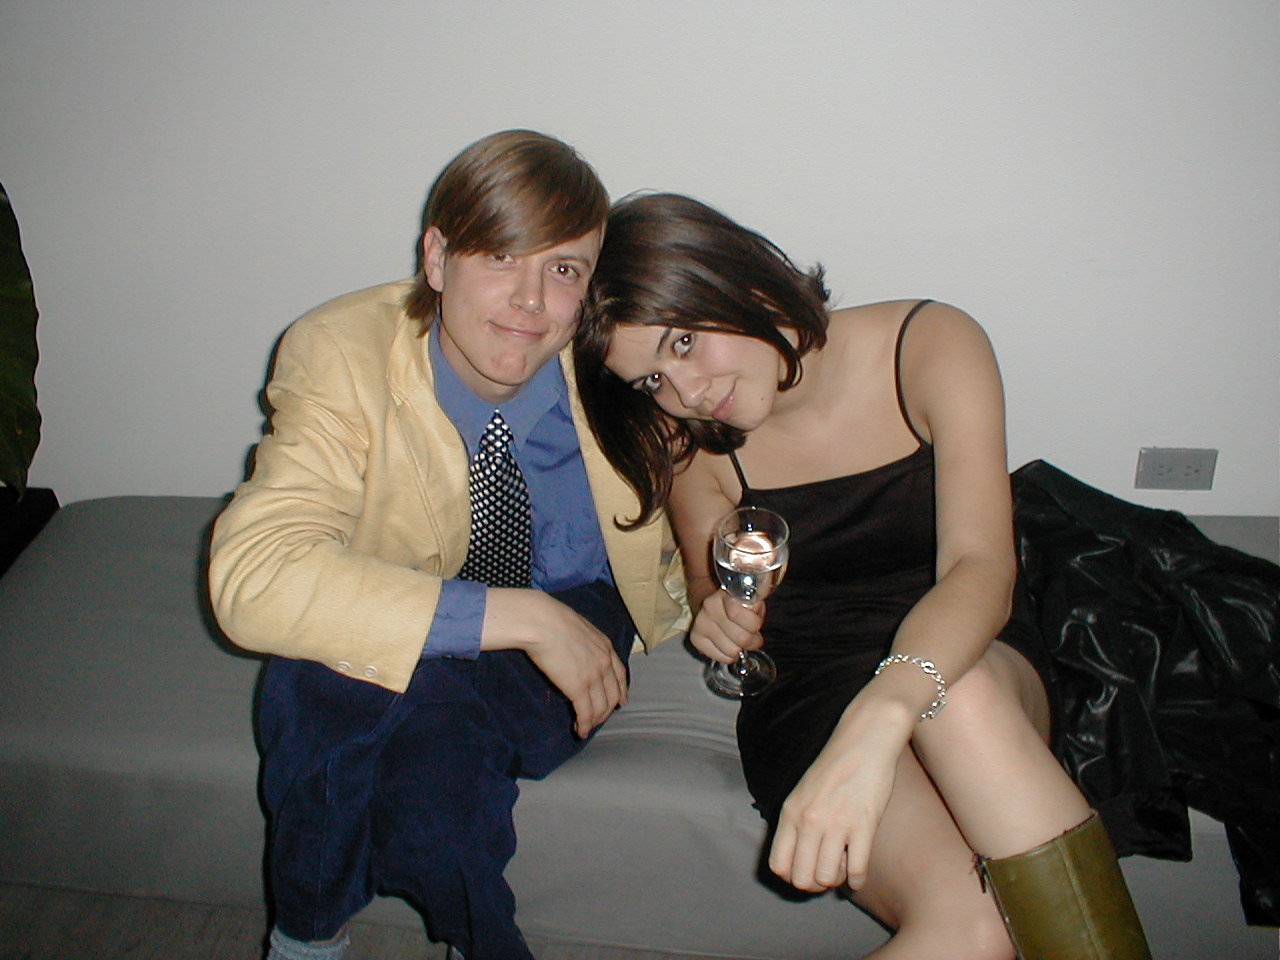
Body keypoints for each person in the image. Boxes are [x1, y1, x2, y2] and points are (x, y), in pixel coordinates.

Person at [573, 192, 1153, 959]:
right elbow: (714, 582)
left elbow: (979, 566)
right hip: (811, 686)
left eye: (682, 342)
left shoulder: (930, 345)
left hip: (971, 651)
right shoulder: (689, 441)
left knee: (961, 695)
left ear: (737, 276)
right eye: (651, 381)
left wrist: (880, 718)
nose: (686, 394)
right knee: (977, 929)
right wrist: (720, 615)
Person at [208, 132, 688, 960]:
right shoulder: (340, 352)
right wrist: (525, 617)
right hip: (464, 606)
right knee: (407, 739)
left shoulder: (619, 358)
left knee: (328, 682)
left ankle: (304, 940)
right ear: (437, 258)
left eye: (563, 269)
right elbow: (254, 577)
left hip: (582, 615)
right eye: (501, 257)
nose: (531, 301)